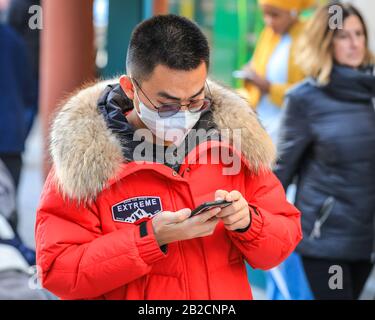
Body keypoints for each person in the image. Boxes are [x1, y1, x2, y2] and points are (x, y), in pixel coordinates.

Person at [35, 14, 302, 300]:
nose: (184, 114)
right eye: (166, 105)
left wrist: (249, 222)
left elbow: (283, 239)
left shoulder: (234, 144)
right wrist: (151, 237)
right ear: (130, 88)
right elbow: (58, 271)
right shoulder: (86, 160)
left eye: (196, 100)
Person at [274, 3, 375, 300]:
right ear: (325, 41)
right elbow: (280, 173)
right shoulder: (305, 99)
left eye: (359, 34)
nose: (355, 43)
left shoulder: (370, 94)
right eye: (344, 36)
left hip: (366, 240)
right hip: (326, 242)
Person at [239, 0, 314, 143]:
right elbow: (256, 66)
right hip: (260, 127)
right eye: (265, 14)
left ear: (293, 12)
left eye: (275, 15)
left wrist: (269, 88)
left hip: (289, 134)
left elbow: (308, 94)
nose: (268, 21)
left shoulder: (307, 39)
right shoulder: (268, 35)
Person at [0, 21, 36, 230]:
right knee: (8, 209)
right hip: (11, 139)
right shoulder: (15, 40)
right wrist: (22, 130)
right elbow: (30, 94)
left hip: (11, 137)